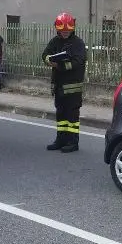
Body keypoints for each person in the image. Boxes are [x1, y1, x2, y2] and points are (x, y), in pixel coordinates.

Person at [42, 12, 87, 153]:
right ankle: (60, 140)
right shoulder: (55, 41)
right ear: (58, 29)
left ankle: (73, 142)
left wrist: (60, 65)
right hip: (59, 85)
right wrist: (49, 60)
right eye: (63, 31)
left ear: (72, 29)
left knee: (72, 115)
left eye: (68, 31)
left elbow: (79, 62)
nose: (65, 33)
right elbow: (45, 55)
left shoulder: (78, 43)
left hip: (73, 87)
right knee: (61, 115)